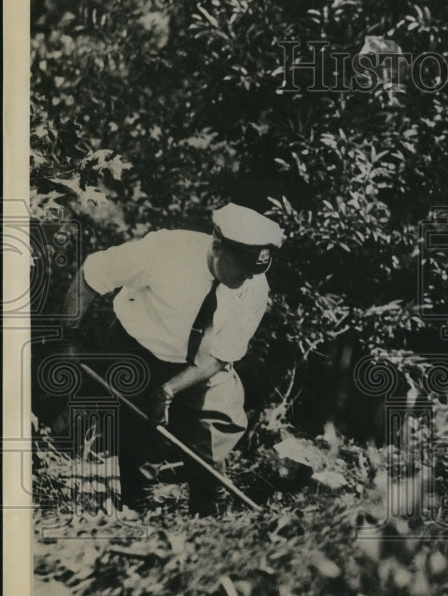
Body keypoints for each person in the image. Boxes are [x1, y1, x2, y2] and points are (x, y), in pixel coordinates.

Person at [60, 200, 284, 515]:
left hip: (201, 366)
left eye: (255, 271)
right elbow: (92, 273)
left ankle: (210, 515)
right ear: (218, 247)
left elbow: (224, 354)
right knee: (136, 443)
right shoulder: (164, 252)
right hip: (138, 350)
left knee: (214, 432)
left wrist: (170, 389)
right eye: (242, 268)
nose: (248, 279)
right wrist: (69, 337)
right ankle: (141, 511)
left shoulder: (254, 286)